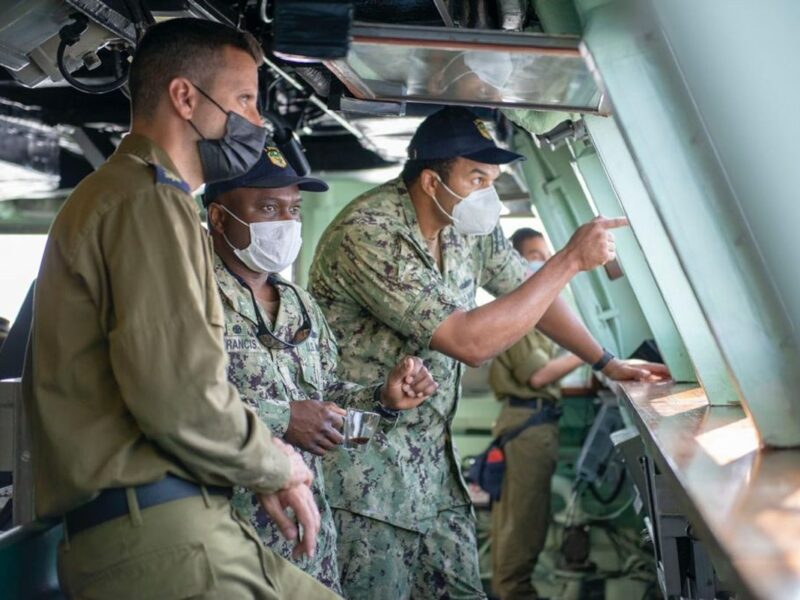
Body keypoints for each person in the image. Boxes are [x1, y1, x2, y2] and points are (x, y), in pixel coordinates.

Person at [26, 18, 339, 599]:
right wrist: (278, 465)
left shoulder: (144, 199)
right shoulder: (147, 201)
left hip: (173, 522)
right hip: (159, 532)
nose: (257, 119)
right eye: (245, 98)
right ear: (185, 97)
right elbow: (182, 401)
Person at [308, 106, 669, 599]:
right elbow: (469, 343)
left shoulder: (466, 229)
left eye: (494, 179)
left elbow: (532, 295)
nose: (488, 193)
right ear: (432, 182)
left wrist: (606, 361)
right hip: (363, 472)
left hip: (431, 465)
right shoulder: (368, 232)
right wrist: (568, 260)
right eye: (477, 177)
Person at [203, 144, 438, 592]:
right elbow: (178, 402)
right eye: (268, 208)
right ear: (218, 217)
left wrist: (381, 398)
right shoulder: (190, 296)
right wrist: (283, 419)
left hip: (309, 538)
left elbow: (325, 392)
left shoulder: (298, 304)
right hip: (229, 537)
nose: (286, 222)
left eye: (293, 209)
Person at [488, 228, 584, 600]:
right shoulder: (518, 308)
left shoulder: (534, 307)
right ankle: (514, 592)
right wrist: (590, 352)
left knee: (525, 520)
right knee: (522, 524)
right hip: (526, 427)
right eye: (533, 254)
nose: (541, 261)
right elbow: (538, 374)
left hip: (532, 423)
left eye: (545, 253)